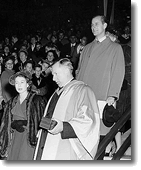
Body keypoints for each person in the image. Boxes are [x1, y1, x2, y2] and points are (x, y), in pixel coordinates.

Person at [76, 15, 125, 159]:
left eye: (97, 24)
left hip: (102, 95)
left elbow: (118, 72)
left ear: (104, 26)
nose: (93, 27)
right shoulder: (87, 48)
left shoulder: (115, 48)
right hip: (85, 95)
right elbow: (79, 71)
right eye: (92, 24)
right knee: (85, 130)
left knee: (102, 132)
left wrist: (113, 94)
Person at [34, 58, 100, 160]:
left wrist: (63, 127)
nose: (53, 79)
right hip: (47, 142)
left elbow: (89, 120)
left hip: (65, 145)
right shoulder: (56, 92)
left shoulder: (83, 90)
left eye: (56, 74)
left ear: (66, 71)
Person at [0, 71, 47, 160]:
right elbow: (4, 125)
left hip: (29, 139)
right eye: (16, 83)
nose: (19, 85)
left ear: (28, 84)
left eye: (22, 82)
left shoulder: (37, 101)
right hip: (14, 139)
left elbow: (42, 123)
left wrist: (26, 123)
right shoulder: (11, 103)